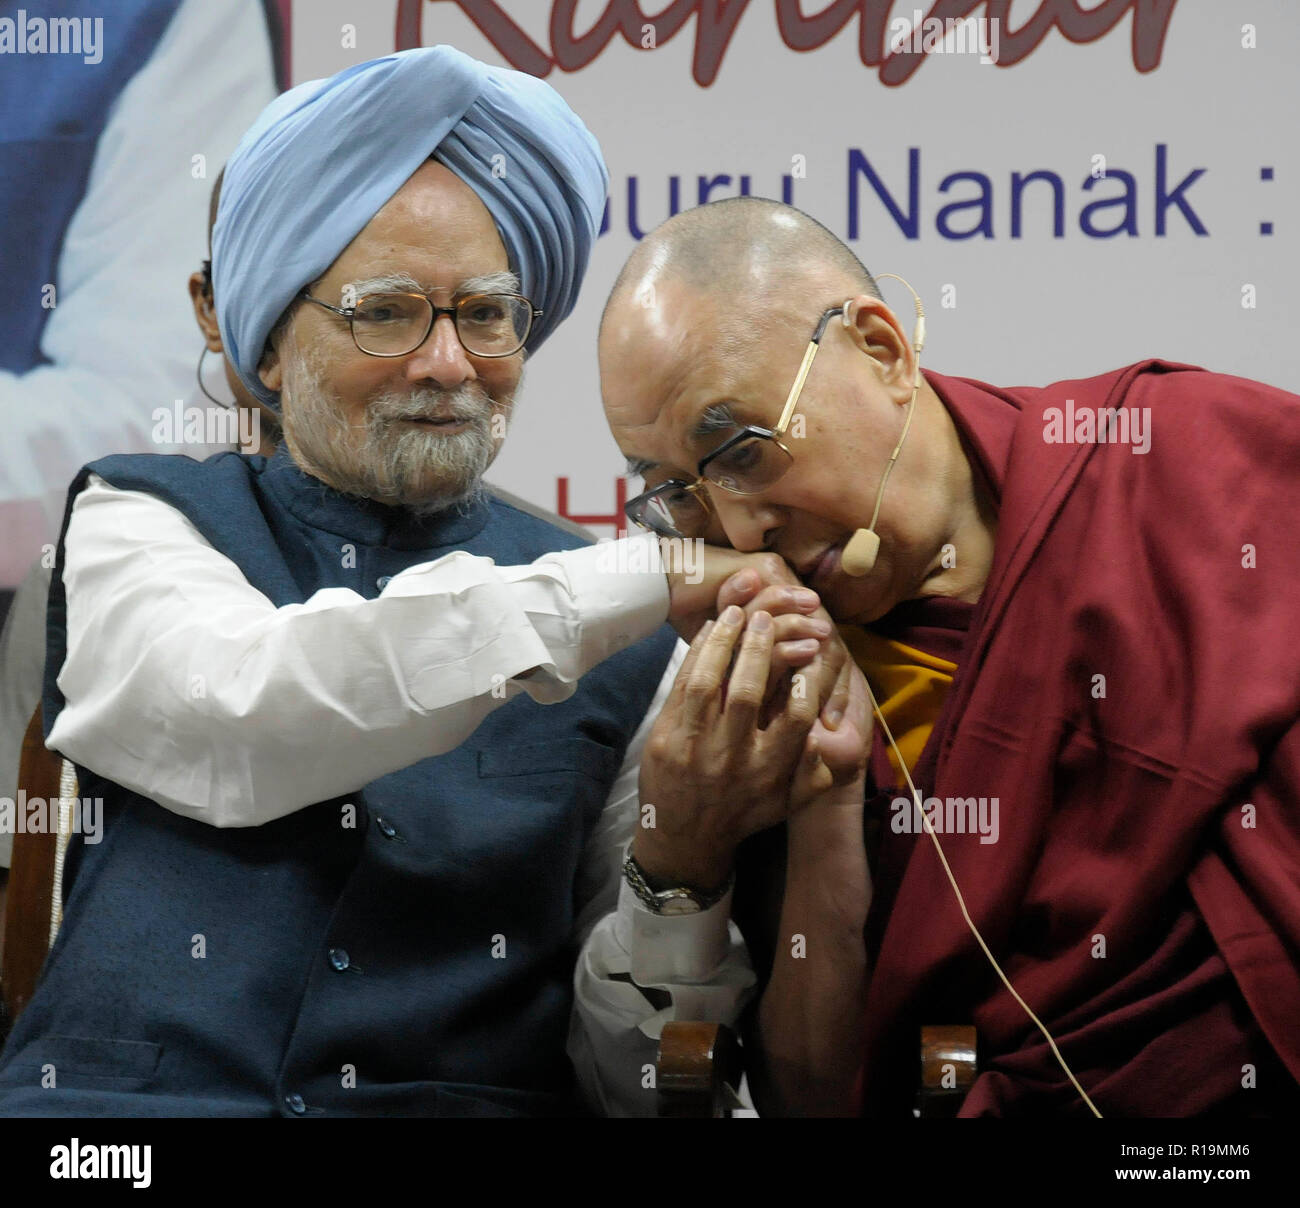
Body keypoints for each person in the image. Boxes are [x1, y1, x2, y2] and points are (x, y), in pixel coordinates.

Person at [0, 48, 836, 1116]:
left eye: (485, 313)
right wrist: (637, 579)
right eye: (386, 312)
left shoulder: (641, 645)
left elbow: (631, 1084)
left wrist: (680, 868)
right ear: (259, 336)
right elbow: (241, 706)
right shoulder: (139, 518)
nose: (448, 362)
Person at [576, 196, 1300, 1117]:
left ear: (881, 350)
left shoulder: (1192, 456)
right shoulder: (758, 683)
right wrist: (827, 807)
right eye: (676, 494)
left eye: (743, 453)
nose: (740, 526)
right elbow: (820, 1098)